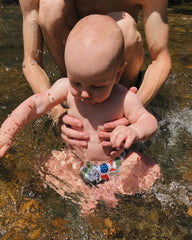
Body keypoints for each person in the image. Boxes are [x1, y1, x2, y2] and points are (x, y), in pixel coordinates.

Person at [0, 16, 160, 199]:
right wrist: (9, 129)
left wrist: (134, 130)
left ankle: (104, 192)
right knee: (46, 165)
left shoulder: (124, 97)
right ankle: (88, 194)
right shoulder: (65, 87)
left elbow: (149, 121)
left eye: (97, 86)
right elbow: (36, 104)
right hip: (76, 159)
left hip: (117, 161)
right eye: (77, 82)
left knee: (151, 170)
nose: (84, 93)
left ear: (118, 74)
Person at [19, 0, 171, 149]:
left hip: (121, 84)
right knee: (51, 6)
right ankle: (71, 96)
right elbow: (31, 62)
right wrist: (58, 114)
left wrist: (132, 115)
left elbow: (160, 59)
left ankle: (120, 107)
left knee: (126, 29)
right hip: (72, 82)